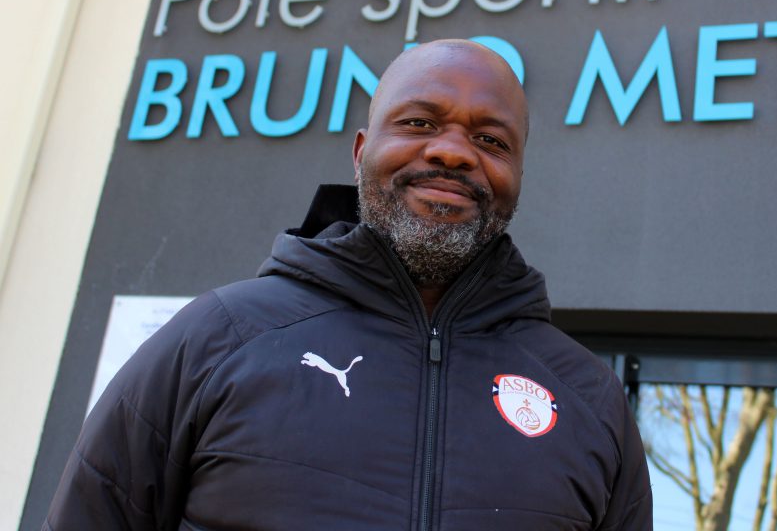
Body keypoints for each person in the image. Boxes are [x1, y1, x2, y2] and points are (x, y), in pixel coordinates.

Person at [46, 40, 653, 530]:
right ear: (361, 153)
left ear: (516, 175)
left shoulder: (588, 399)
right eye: (419, 122)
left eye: (490, 141)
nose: (453, 153)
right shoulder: (216, 339)